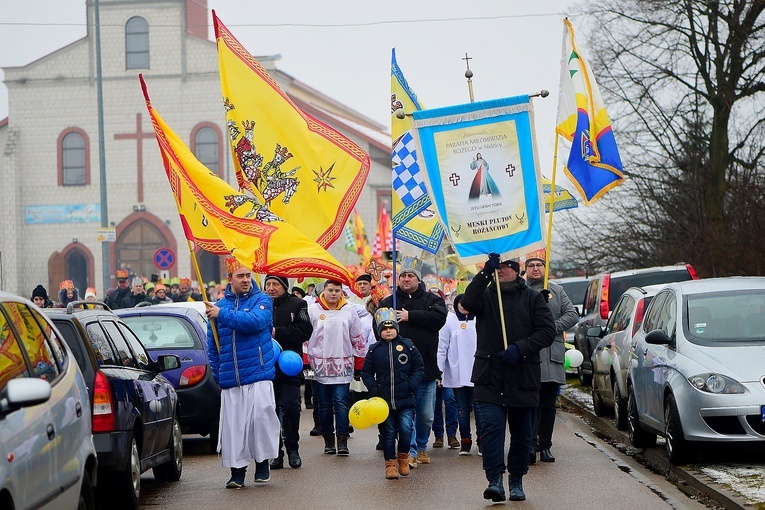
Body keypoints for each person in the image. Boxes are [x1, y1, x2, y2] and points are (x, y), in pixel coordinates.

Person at [460, 254, 555, 502]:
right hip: (489, 377)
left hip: (523, 377)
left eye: (504, 267)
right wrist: (483, 273)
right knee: (491, 430)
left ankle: (516, 480)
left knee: (523, 434)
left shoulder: (533, 298)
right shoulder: (487, 295)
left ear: (515, 270)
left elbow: (547, 332)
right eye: (497, 268)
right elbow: (468, 301)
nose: (500, 271)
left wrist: (520, 348)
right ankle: (494, 480)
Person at [204, 256, 280, 488]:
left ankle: (262, 463)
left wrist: (222, 315)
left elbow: (255, 322)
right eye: (241, 276)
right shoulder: (219, 306)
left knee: (260, 420)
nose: (246, 280)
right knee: (235, 428)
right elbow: (213, 344)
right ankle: (237, 472)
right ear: (230, 279)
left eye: (248, 275)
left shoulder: (263, 300)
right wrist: (218, 373)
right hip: (231, 377)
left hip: (258, 372)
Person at [377, 256, 447, 467]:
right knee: (406, 414)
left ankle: (422, 445)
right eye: (403, 276)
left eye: (410, 276)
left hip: (425, 367)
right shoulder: (389, 302)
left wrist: (410, 316)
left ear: (418, 279)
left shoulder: (432, 300)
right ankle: (411, 451)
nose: (406, 279)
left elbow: (439, 319)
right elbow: (378, 328)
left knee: (425, 415)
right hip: (399, 371)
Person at [524, 253, 579, 464]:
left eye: (539, 265)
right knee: (529, 404)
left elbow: (572, 314)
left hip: (552, 355)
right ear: (526, 269)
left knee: (548, 404)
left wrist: (550, 329)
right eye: (531, 265)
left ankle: (545, 445)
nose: (536, 268)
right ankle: (529, 444)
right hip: (529, 356)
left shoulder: (557, 290)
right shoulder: (521, 290)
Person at [361, 308, 424, 479]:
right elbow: (366, 372)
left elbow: (419, 367)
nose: (388, 331)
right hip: (384, 401)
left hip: (406, 399)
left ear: (397, 328)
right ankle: (390, 464)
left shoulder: (408, 346)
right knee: (388, 432)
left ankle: (403, 458)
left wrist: (411, 384)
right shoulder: (374, 350)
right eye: (384, 328)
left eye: (391, 327)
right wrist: (374, 389)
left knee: (405, 429)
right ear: (379, 331)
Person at [306, 279, 366, 457]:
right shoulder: (313, 310)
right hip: (320, 365)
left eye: (337, 290)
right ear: (323, 291)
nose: (333, 293)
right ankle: (328, 440)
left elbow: (358, 338)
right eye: (330, 290)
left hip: (342, 364)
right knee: (324, 405)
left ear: (342, 292)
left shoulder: (349, 311)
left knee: (341, 403)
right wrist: (306, 363)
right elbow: (306, 337)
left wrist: (359, 364)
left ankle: (342, 439)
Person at [264, 274, 312, 470]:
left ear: (284, 286)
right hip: (266, 368)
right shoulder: (260, 304)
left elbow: (305, 330)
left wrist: (278, 332)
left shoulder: (298, 304)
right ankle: (275, 452)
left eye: (275, 284)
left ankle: (293, 448)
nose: (271, 288)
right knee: (270, 411)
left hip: (289, 366)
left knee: (291, 408)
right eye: (268, 284)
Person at [438, 293, 482, 455]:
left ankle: (481, 440)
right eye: (460, 303)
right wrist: (440, 370)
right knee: (462, 409)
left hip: (477, 372)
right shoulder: (449, 322)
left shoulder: (480, 320)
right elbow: (442, 347)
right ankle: (465, 440)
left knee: (479, 409)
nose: (463, 306)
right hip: (457, 372)